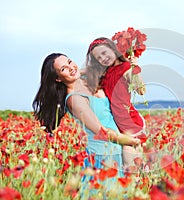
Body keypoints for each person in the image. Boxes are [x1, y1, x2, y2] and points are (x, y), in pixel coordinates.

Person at [32, 53, 140, 198]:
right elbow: (101, 131)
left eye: (70, 62)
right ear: (58, 78)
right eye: (64, 69)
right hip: (103, 159)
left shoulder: (86, 83)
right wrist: (133, 141)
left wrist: (129, 63)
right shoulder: (74, 99)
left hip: (118, 153)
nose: (71, 68)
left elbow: (98, 68)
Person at [84, 37, 147, 170]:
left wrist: (134, 68)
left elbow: (141, 89)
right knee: (128, 160)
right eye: (98, 58)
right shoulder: (104, 72)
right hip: (115, 122)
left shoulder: (126, 68)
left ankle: (138, 180)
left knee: (129, 156)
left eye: (104, 53)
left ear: (113, 49)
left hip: (128, 121)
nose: (103, 58)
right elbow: (85, 71)